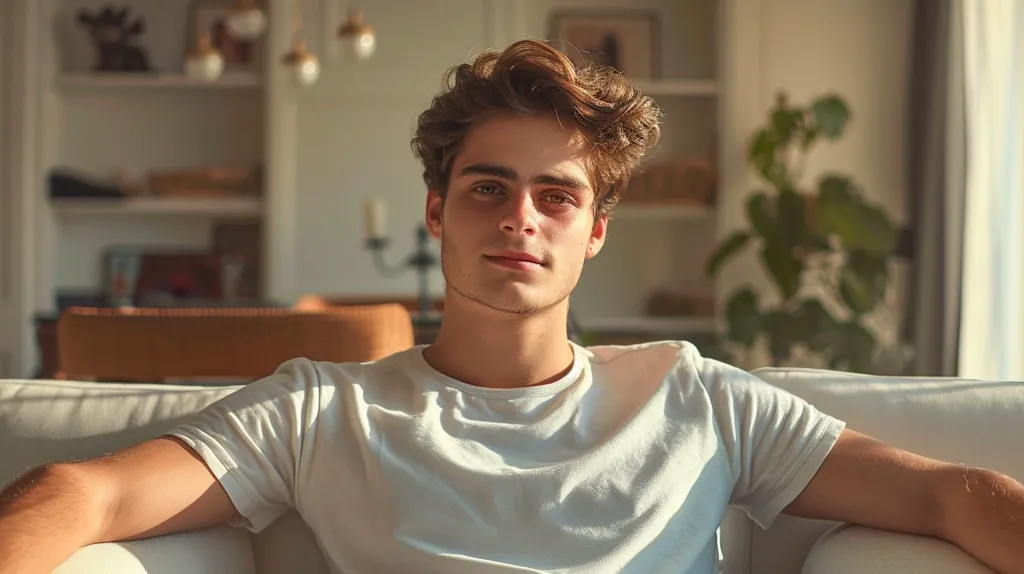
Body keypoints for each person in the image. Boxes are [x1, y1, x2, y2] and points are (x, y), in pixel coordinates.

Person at [1, 39, 1022, 574]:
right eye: (488, 187)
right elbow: (83, 495)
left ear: (595, 230)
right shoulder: (320, 408)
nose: (519, 219)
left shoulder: (700, 398)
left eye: (556, 196)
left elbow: (952, 496)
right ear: (437, 212)